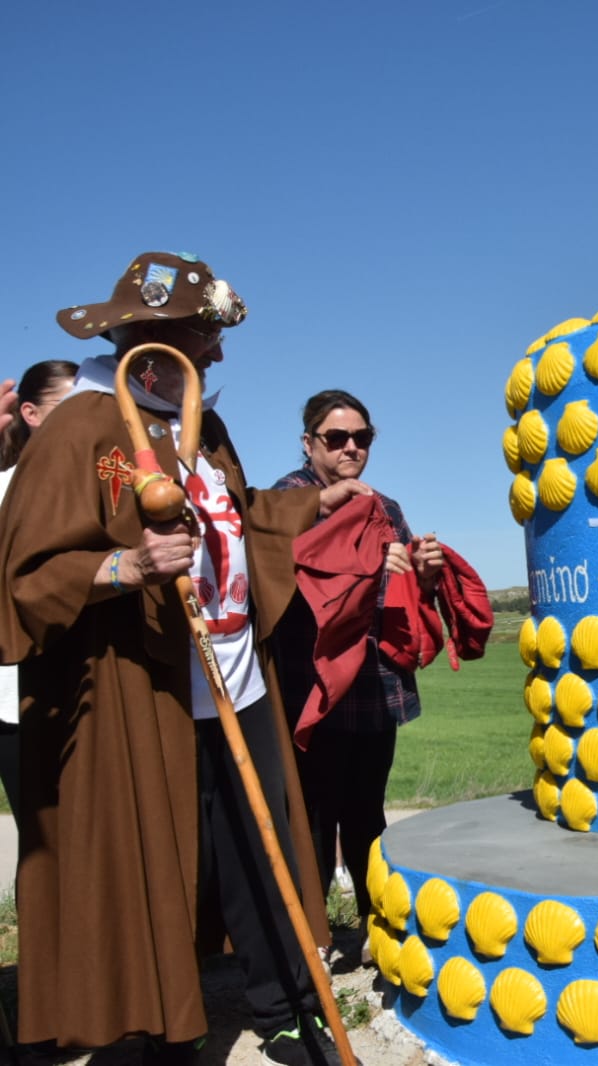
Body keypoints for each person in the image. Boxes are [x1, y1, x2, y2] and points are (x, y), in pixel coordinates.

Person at [0, 252, 369, 1065]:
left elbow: (236, 513)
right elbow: (25, 570)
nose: (219, 355)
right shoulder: (84, 426)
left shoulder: (202, 421)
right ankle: (153, 1029)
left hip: (234, 678)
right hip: (141, 688)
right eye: (206, 335)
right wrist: (124, 567)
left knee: (256, 842)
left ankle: (287, 1003)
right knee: (149, 860)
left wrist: (318, 500)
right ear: (153, 333)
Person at [273, 389, 443, 929]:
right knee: (316, 814)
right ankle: (313, 939)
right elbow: (298, 585)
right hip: (314, 681)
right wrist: (374, 569)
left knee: (368, 809)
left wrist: (425, 571)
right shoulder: (288, 501)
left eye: (362, 438)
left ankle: (378, 926)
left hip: (373, 680)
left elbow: (405, 592)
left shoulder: (385, 506)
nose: (351, 447)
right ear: (308, 443)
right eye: (336, 437)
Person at [0, 360, 78, 817]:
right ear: (30, 413)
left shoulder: (111, 487)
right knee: (44, 842)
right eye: (71, 406)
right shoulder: (6, 488)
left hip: (89, 692)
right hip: (20, 698)